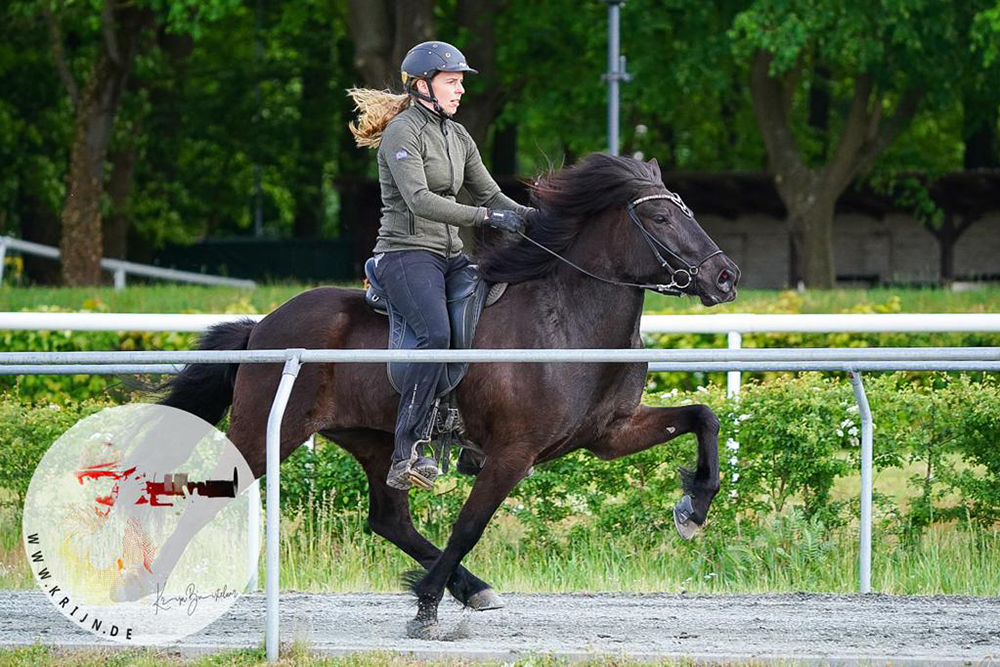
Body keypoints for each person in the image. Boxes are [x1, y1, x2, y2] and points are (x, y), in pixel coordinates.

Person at [348, 40, 531, 491]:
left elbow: (491, 194)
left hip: (451, 256)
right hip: (405, 255)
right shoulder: (402, 133)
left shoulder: (458, 135)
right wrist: (486, 219)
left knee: (488, 323)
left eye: (461, 83)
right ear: (422, 86)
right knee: (435, 334)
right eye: (452, 82)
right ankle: (407, 449)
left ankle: (469, 434)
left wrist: (537, 222)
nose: (460, 91)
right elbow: (421, 200)